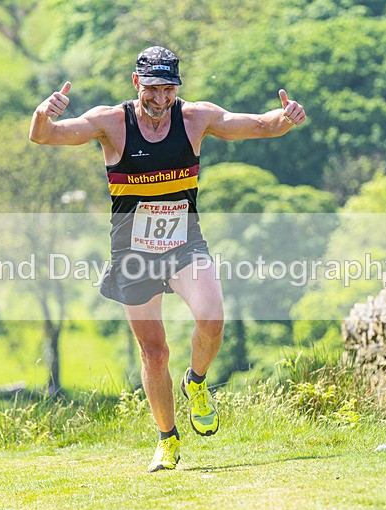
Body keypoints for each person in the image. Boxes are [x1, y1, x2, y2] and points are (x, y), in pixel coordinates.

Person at [30, 45, 306, 472]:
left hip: (184, 244)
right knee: (154, 352)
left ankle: (196, 383)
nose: (161, 100)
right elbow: (45, 136)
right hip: (132, 253)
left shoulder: (196, 118)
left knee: (212, 317)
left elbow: (259, 126)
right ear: (136, 83)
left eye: (169, 90)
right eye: (153, 89)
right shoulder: (110, 122)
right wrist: (43, 113)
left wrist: (285, 119)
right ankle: (167, 439)